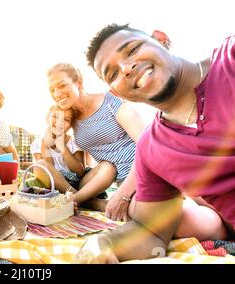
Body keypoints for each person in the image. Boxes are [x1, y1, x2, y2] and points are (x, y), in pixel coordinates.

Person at [74, 23, 234, 264]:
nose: (126, 68)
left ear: (161, 39)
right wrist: (102, 243)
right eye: (113, 74)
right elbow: (151, 231)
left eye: (132, 49)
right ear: (115, 92)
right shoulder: (153, 148)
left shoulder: (229, 59)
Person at [46, 63, 146, 214]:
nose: (57, 93)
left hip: (140, 173)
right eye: (52, 89)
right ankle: (82, 199)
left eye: (62, 85)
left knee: (142, 213)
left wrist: (123, 194)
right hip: (112, 175)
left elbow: (147, 146)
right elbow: (50, 137)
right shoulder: (70, 116)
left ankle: (85, 202)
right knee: (107, 167)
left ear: (79, 82)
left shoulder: (110, 103)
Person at [30, 105, 87, 195]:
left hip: (74, 182)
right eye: (55, 116)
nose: (60, 122)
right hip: (52, 184)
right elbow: (48, 168)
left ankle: (77, 195)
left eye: (66, 119)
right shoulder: (38, 143)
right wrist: (45, 143)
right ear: (48, 117)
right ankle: (78, 196)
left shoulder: (74, 142)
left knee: (103, 167)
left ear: (71, 124)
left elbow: (80, 172)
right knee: (39, 165)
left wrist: (63, 148)